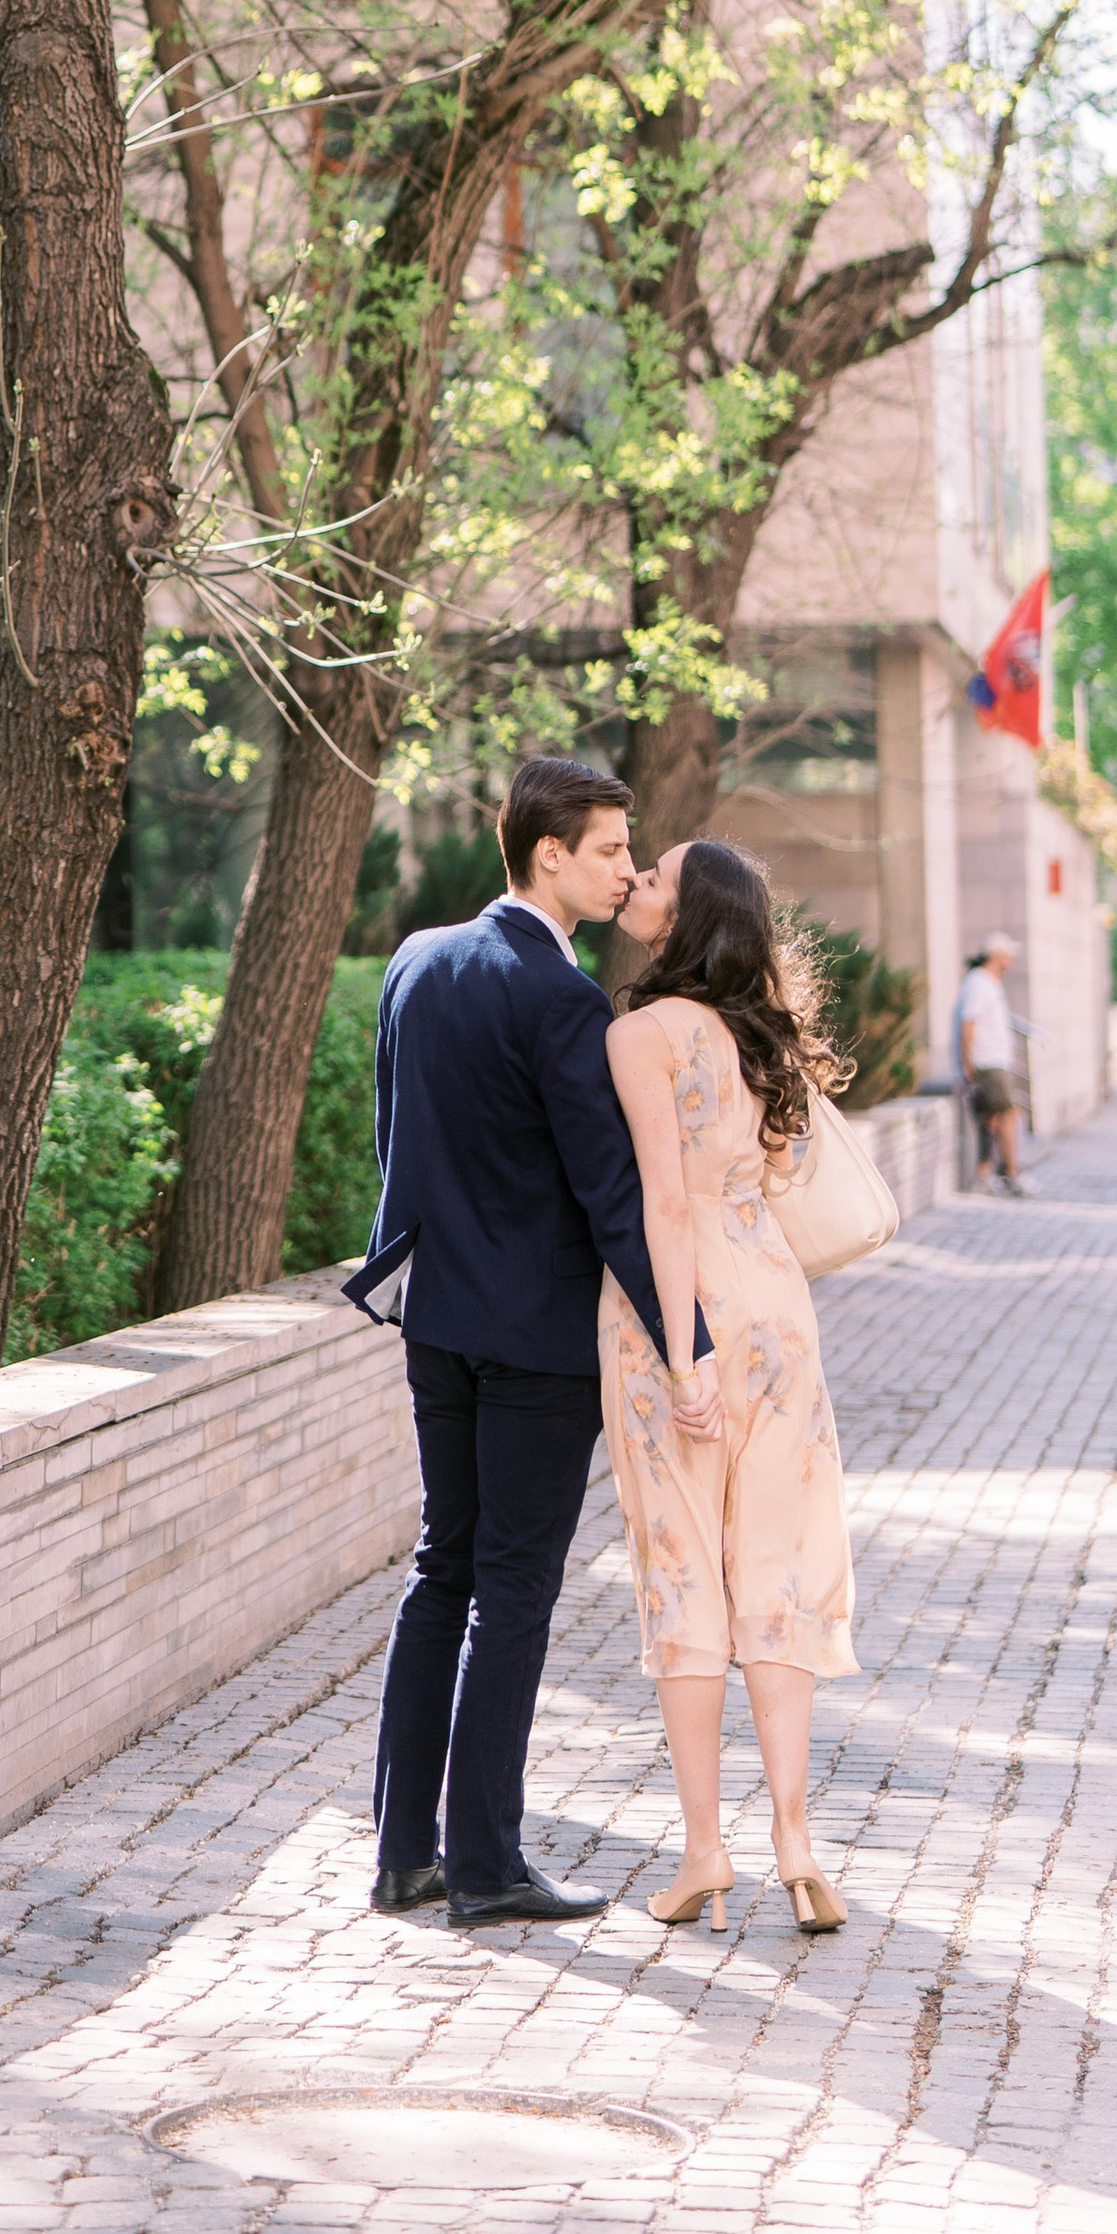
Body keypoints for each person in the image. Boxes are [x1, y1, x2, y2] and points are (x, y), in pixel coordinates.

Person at [360, 753, 701, 1932]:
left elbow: (391, 1137)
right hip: (536, 1341)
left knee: (437, 1570)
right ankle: (490, 1863)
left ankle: (407, 1852)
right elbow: (613, 1194)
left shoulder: (414, 961)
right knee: (510, 1589)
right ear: (546, 853)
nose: (623, 867)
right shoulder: (558, 1000)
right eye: (610, 848)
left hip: (436, 1317)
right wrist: (684, 1343)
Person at [601, 838, 855, 1940]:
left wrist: (681, 1350)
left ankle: (706, 1848)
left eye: (653, 876)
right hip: (780, 1316)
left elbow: (663, 1205)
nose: (636, 884)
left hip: (683, 1318)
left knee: (680, 1572)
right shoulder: (766, 1038)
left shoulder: (640, 1035)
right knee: (779, 1569)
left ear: (685, 916)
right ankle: (796, 1842)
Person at [957, 933, 1029, 1196]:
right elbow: (969, 1024)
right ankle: (1011, 1173)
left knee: (994, 1119)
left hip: (994, 1061)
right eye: (1008, 955)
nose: (1011, 961)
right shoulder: (979, 983)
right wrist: (968, 1064)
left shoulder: (987, 983)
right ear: (998, 957)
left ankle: (986, 1174)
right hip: (988, 1063)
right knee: (1009, 1114)